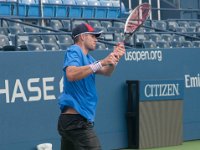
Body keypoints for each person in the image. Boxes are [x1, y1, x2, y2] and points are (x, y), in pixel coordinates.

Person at [57, 23, 125, 150]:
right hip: (76, 122)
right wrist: (102, 62)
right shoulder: (74, 50)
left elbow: (106, 72)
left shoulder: (88, 58)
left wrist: (115, 58)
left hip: (73, 121)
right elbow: (71, 74)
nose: (96, 39)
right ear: (82, 37)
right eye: (93, 36)